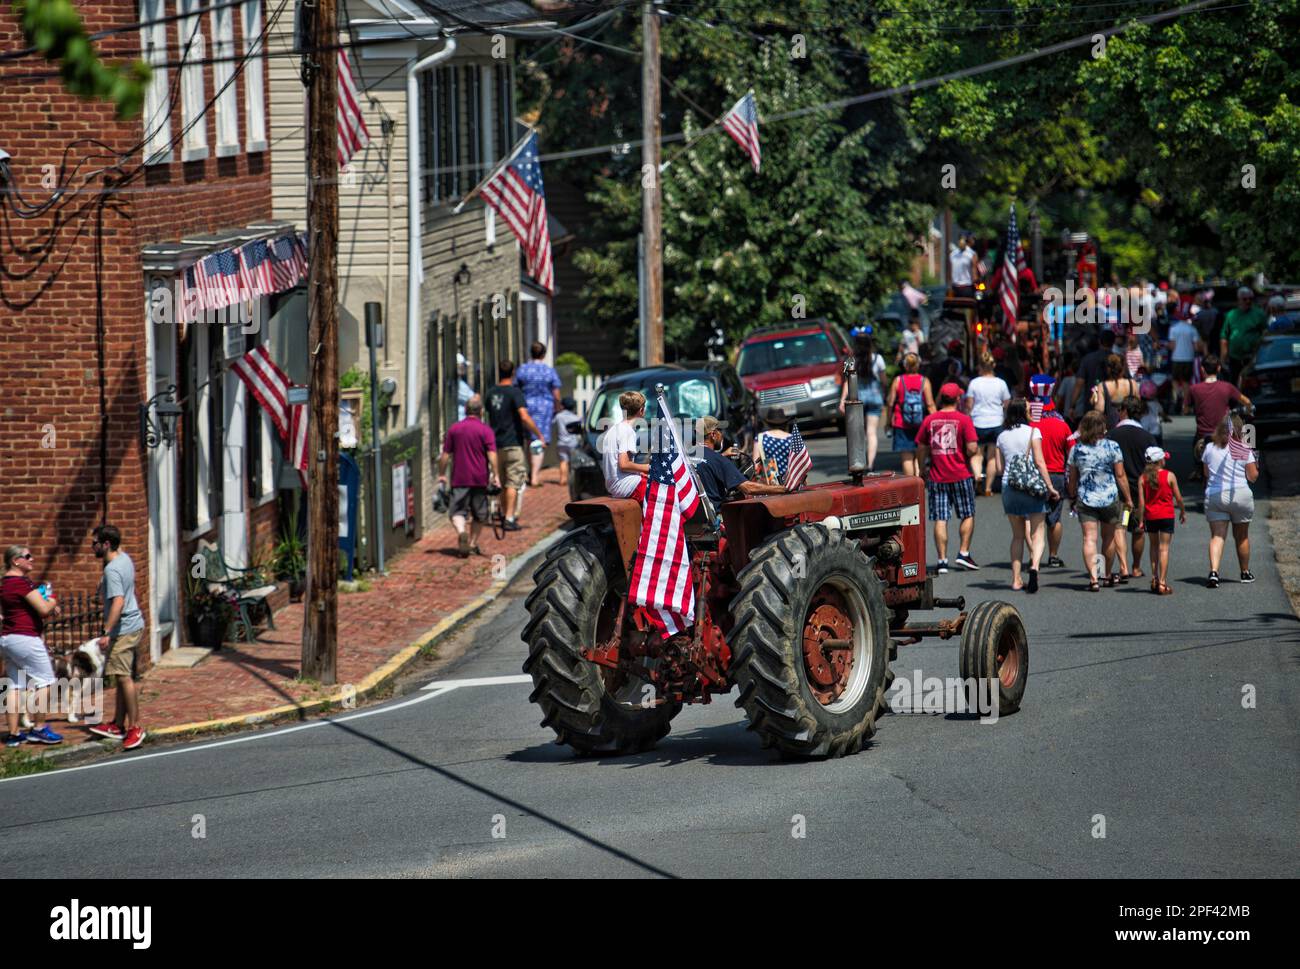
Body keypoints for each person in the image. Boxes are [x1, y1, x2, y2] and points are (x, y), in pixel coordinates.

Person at [87, 525, 147, 750]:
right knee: (120, 675)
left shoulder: (112, 569)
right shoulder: (124, 558)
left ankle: (135, 727)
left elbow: (119, 601)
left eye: (95, 543)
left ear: (106, 544)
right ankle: (118, 724)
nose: (92, 547)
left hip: (124, 628)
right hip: (133, 624)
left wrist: (106, 631)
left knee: (123, 677)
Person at [0, 545, 63, 747]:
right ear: (15, 561)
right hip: (25, 638)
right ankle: (39, 728)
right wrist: (53, 600)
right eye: (27, 556)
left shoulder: (5, 583)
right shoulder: (20, 583)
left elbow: (25, 606)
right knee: (46, 682)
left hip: (7, 639)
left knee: (15, 685)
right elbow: (44, 608)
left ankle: (14, 734)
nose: (32, 559)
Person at [915, 383, 980, 573]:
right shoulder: (964, 420)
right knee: (967, 513)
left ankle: (942, 560)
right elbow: (972, 448)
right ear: (958, 399)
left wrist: (921, 468)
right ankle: (963, 553)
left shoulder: (930, 420)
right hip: (960, 474)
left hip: (937, 475)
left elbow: (921, 447)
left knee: (940, 518)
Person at [996, 399, 1059, 593]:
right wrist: (1050, 487)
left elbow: (999, 468)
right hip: (1031, 487)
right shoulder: (1033, 432)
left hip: (1010, 486)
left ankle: (1016, 579)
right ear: (1023, 412)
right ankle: (1034, 566)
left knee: (1017, 536)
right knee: (1037, 532)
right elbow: (1040, 462)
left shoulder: (1002, 436)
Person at [1068, 412, 1134, 591]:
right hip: (1109, 497)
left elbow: (1072, 478)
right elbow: (1120, 475)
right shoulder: (1112, 447)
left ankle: (1093, 578)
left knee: (1089, 538)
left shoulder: (1077, 449)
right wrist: (1128, 498)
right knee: (1108, 538)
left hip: (1086, 497)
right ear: (1103, 427)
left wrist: (1072, 495)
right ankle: (1105, 574)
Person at [486, 360, 544, 531]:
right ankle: (509, 518)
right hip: (512, 444)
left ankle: (504, 514)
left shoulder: (490, 393)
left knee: (502, 482)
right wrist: (538, 434)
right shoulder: (514, 392)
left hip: (495, 445)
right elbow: (524, 416)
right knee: (512, 482)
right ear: (512, 374)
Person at [1203, 414, 1259, 588]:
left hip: (1215, 495)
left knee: (1217, 536)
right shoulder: (1244, 448)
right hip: (1240, 495)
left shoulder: (1210, 448)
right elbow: (1253, 477)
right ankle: (1245, 572)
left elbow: (1206, 474)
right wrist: (1257, 463)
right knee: (1241, 537)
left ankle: (1214, 572)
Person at [437, 394, 496, 558]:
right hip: (480, 478)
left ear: (465, 410)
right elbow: (492, 455)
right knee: (480, 514)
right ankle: (472, 543)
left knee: (456, 511)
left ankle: (462, 531)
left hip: (459, 478)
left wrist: (441, 474)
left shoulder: (454, 429)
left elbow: (445, 455)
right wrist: (496, 475)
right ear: (481, 412)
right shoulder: (485, 430)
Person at [1107, 397, 1158, 581]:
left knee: (1120, 527)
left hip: (1119, 489)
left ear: (1124, 411)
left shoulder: (1112, 435)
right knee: (1138, 530)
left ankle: (1123, 566)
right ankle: (1136, 567)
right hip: (1140, 491)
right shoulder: (1147, 437)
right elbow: (1155, 465)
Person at [693, 416, 786, 506]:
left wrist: (722, 455)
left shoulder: (685, 456)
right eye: (720, 431)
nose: (722, 435)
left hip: (692, 516)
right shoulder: (718, 460)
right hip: (716, 517)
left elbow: (705, 463)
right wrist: (783, 489)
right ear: (713, 435)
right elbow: (748, 488)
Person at [1029, 375, 1072, 568]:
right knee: (1054, 519)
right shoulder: (1062, 425)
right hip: (1056, 475)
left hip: (1033, 475)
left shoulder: (1029, 426)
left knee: (1033, 518)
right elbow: (1072, 452)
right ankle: (1053, 556)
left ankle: (1034, 555)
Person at [1187, 356, 1251, 481]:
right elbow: (1246, 401)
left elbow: (1185, 408)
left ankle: (1199, 469)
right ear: (1219, 368)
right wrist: (1249, 409)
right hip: (1223, 433)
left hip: (1203, 434)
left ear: (1202, 369)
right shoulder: (1227, 387)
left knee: (1196, 445)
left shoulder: (1194, 389)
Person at [1138, 447, 1186, 596]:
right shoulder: (1169, 476)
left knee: (1153, 547)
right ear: (1159, 460)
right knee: (1164, 548)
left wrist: (1141, 520)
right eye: (1164, 458)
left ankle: (1154, 577)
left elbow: (1141, 502)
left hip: (1151, 516)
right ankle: (1163, 583)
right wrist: (1183, 511)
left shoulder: (1142, 478)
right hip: (1166, 515)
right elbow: (1178, 498)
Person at [514, 342, 563, 487]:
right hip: (544, 408)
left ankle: (532, 472)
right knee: (540, 441)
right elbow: (556, 391)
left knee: (530, 439)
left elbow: (516, 386)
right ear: (543, 354)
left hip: (526, 406)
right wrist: (557, 405)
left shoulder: (523, 369)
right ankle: (535, 475)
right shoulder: (549, 371)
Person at [839, 333, 888, 471]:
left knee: (858, 432)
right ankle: (870, 465)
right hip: (874, 398)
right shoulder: (878, 359)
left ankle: (858, 462)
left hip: (857, 399)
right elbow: (884, 381)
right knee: (871, 432)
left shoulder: (850, 360)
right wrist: (884, 394)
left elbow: (847, 382)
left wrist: (843, 400)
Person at [964, 355, 1011, 496]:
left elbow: (969, 405)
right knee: (991, 456)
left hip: (978, 421)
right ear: (993, 366)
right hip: (996, 421)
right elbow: (1007, 403)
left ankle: (978, 475)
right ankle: (988, 488)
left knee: (977, 454)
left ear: (980, 366)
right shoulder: (1001, 383)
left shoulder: (974, 383)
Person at [886, 353, 935, 478]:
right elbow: (930, 404)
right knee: (919, 454)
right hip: (921, 423)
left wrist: (888, 422)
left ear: (905, 365)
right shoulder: (924, 381)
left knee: (907, 457)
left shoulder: (898, 380)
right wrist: (937, 422)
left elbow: (890, 403)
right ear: (918, 365)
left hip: (901, 423)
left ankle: (910, 485)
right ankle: (919, 482)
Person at [600, 390, 650, 501]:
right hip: (624, 485)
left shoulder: (614, 429)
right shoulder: (627, 431)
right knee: (666, 495)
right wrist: (648, 468)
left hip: (613, 484)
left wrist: (639, 472)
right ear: (641, 410)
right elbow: (624, 464)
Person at [1069, 329, 1117, 421]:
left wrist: (1072, 406)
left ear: (1099, 341)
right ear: (1113, 342)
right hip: (1112, 408)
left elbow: (1079, 384)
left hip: (1091, 408)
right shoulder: (1117, 360)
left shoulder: (1087, 359)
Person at [1220, 287, 1267, 380]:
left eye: (1250, 299)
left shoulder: (1259, 314)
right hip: (1235, 358)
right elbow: (1224, 336)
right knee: (1234, 382)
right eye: (1245, 299)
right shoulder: (1231, 315)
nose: (1248, 301)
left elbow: (1265, 333)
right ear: (1239, 300)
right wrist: (1223, 358)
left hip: (1253, 357)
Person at [1090, 353, 1139, 428]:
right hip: (1131, 426)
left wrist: (1094, 399)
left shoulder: (1103, 386)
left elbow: (1099, 410)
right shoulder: (1133, 384)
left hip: (1112, 429)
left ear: (1108, 369)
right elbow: (1138, 405)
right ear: (1123, 367)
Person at [1166, 312, 1200, 415]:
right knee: (1186, 382)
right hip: (1188, 358)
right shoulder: (1192, 329)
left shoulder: (1173, 328)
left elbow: (1172, 346)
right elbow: (1196, 347)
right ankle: (1185, 407)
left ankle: (1178, 394)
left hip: (1176, 358)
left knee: (1175, 380)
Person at [753, 408, 795, 484]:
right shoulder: (792, 438)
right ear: (785, 423)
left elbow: (756, 466)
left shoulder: (760, 438)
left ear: (768, 423)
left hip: (771, 482)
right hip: (792, 481)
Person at [552, 396, 580, 490]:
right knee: (572, 463)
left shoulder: (559, 416)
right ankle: (571, 480)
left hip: (561, 442)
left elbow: (553, 423)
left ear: (563, 406)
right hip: (573, 443)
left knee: (563, 461)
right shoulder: (576, 417)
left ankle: (562, 480)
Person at [455, 354, 474, 422]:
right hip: (461, 419)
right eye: (464, 365)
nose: (465, 368)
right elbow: (473, 399)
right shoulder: (459, 385)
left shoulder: (460, 382)